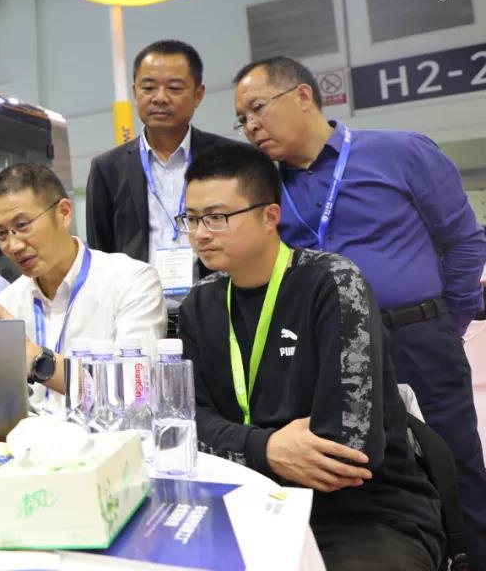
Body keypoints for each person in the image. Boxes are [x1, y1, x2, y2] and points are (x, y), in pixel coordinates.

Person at [233, 55, 486, 565]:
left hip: (416, 340)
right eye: (241, 119)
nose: (251, 125)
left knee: (456, 466)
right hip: (327, 357)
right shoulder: (266, 191)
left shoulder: (401, 152)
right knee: (361, 477)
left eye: (257, 108)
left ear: (303, 95)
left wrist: (443, 320)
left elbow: (463, 241)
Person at [176, 144, 444, 571]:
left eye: (217, 217)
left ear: (269, 216)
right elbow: (186, 422)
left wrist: (236, 443)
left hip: (359, 513)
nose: (200, 233)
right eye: (191, 219)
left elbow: (346, 448)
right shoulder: (198, 304)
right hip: (247, 500)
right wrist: (267, 448)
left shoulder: (333, 283)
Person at [0, 163, 166, 414]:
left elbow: (133, 391)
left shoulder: (131, 281)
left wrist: (40, 362)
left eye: (23, 225)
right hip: (27, 436)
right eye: (2, 234)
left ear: (63, 213)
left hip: (105, 435)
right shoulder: (8, 302)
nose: (13, 245)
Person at [86, 39, 246, 301]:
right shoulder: (107, 168)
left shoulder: (232, 159)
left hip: (219, 304)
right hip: (136, 309)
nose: (160, 98)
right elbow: (100, 253)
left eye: (174, 88)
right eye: (148, 87)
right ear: (135, 91)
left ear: (198, 95)